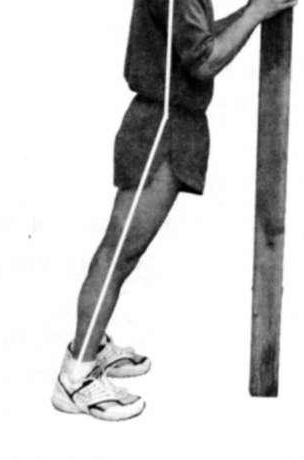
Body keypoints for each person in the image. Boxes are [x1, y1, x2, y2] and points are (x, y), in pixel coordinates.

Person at [52, 0, 297, 422]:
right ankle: (76, 377)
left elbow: (198, 38)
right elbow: (203, 61)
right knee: (118, 254)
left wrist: (254, 9)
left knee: (122, 254)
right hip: (160, 126)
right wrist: (256, 12)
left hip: (172, 123)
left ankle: (93, 342)